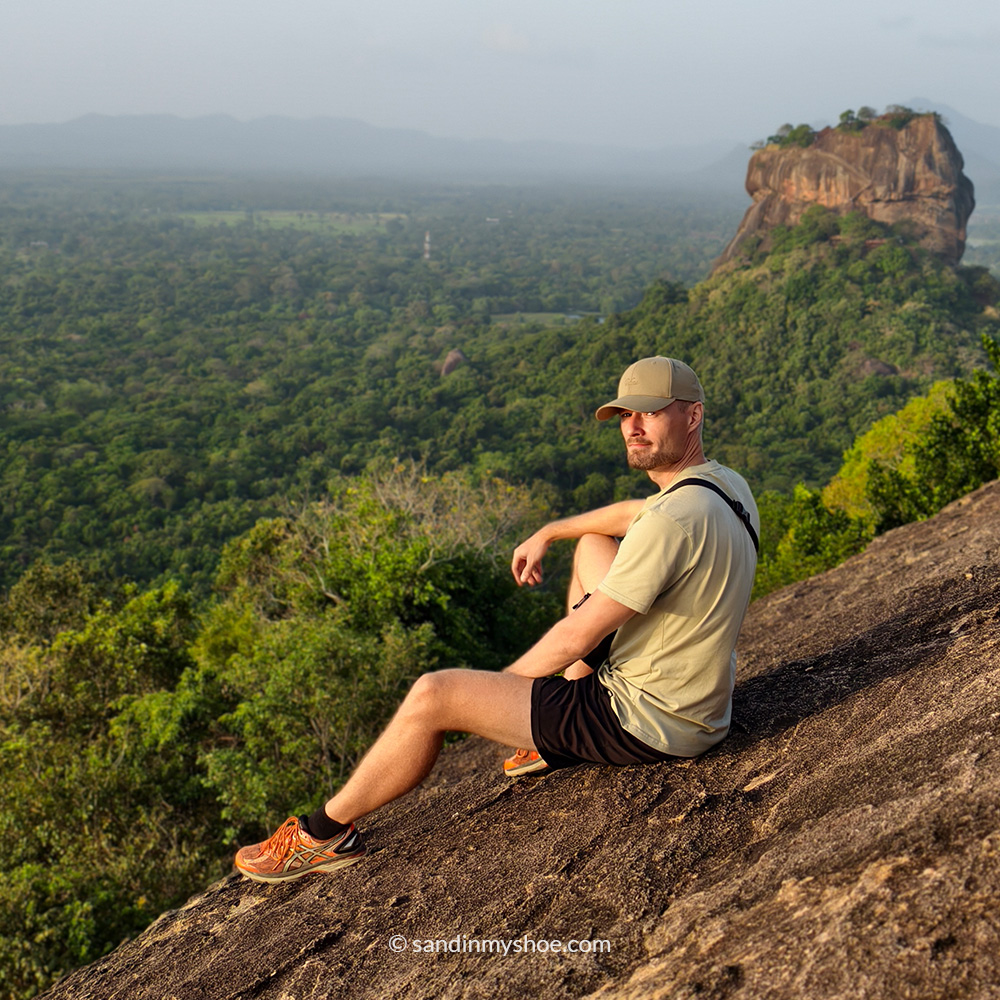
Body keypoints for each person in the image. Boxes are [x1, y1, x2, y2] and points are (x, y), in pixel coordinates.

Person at [235, 357, 759, 883]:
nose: (633, 427)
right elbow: (633, 515)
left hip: (648, 721)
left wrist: (498, 693)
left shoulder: (672, 521)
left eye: (650, 413)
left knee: (433, 695)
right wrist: (552, 530)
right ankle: (550, 738)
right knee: (594, 545)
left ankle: (321, 836)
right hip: (691, 698)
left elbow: (577, 634)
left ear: (692, 416)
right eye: (625, 415)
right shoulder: (722, 487)